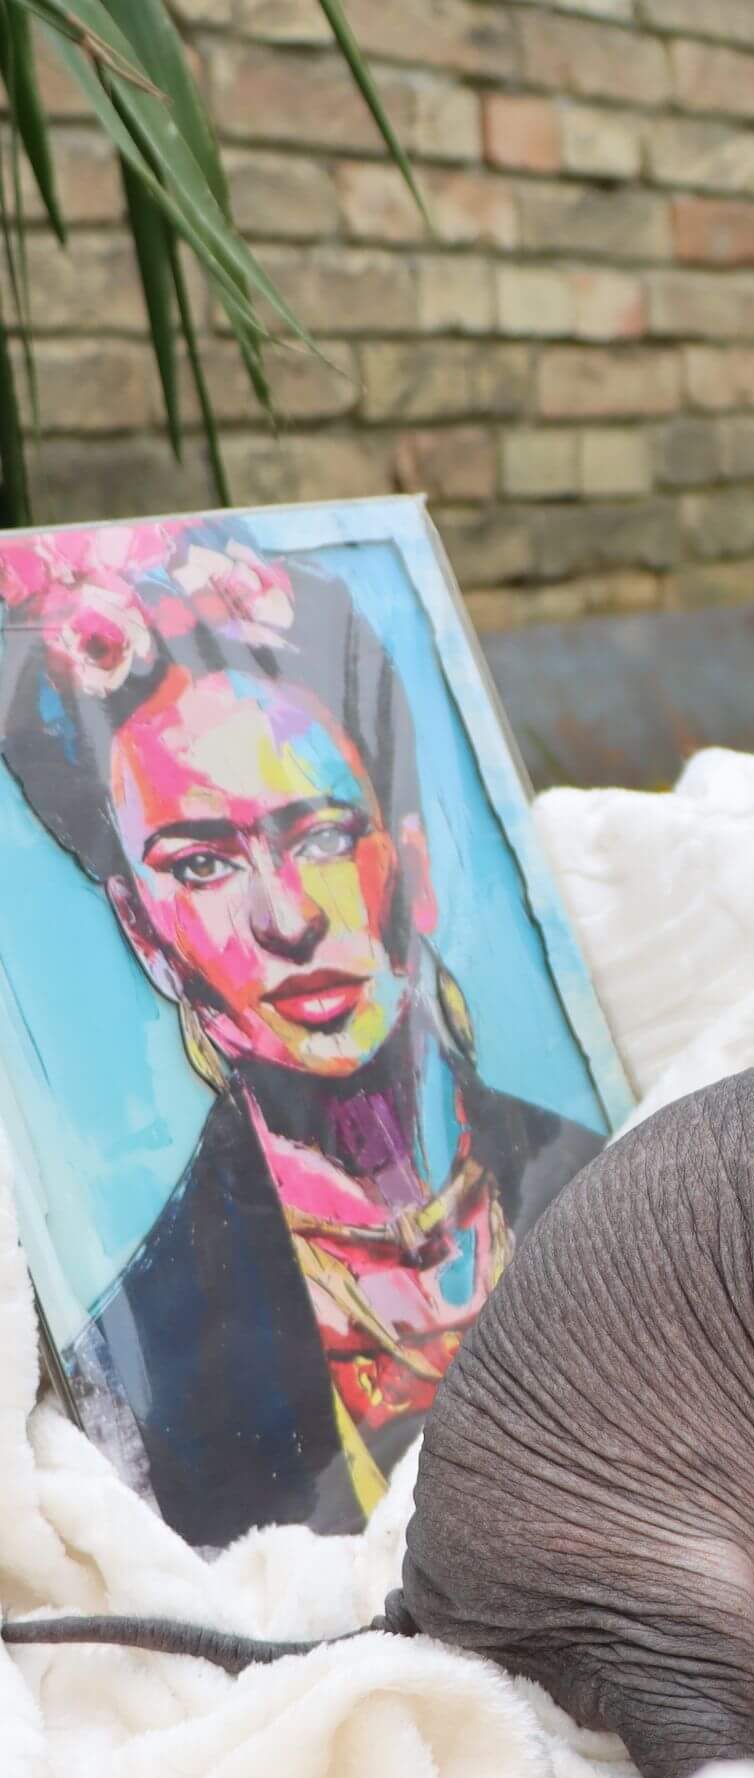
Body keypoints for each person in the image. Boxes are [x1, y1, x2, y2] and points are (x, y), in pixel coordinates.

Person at [0, 520, 603, 1547]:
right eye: (202, 864)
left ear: (407, 855)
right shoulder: (156, 1355)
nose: (286, 916)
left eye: (320, 836)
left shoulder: (594, 1173)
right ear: (145, 933)